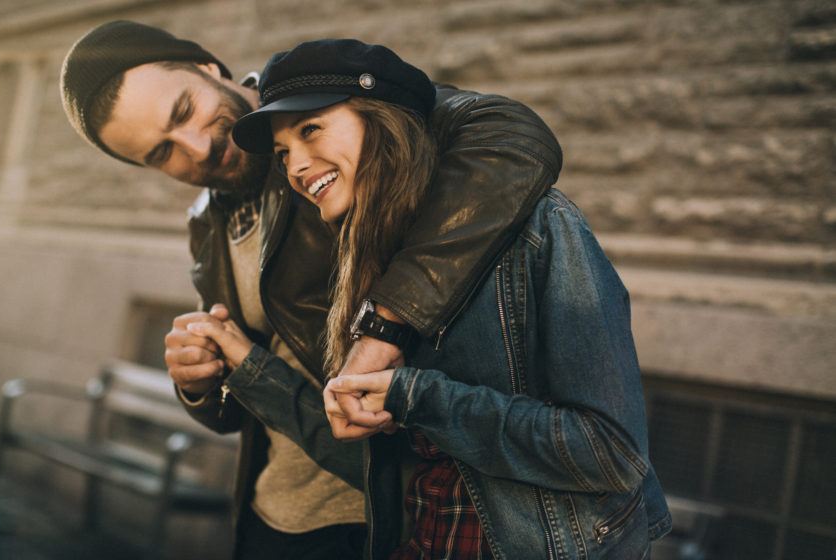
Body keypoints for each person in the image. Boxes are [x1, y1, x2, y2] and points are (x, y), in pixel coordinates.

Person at [60, 21, 562, 560]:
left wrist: (388, 321)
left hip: (397, 513)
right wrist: (201, 382)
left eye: (184, 111)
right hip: (274, 516)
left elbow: (512, 135)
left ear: (209, 68)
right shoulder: (206, 221)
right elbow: (239, 407)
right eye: (162, 153)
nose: (198, 147)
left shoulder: (322, 100)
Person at [193, 38, 671, 559]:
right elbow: (375, 460)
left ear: (382, 119)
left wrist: (416, 397)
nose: (297, 167)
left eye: (311, 130)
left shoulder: (538, 229)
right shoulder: (359, 263)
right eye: (284, 153)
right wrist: (248, 369)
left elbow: (612, 455)